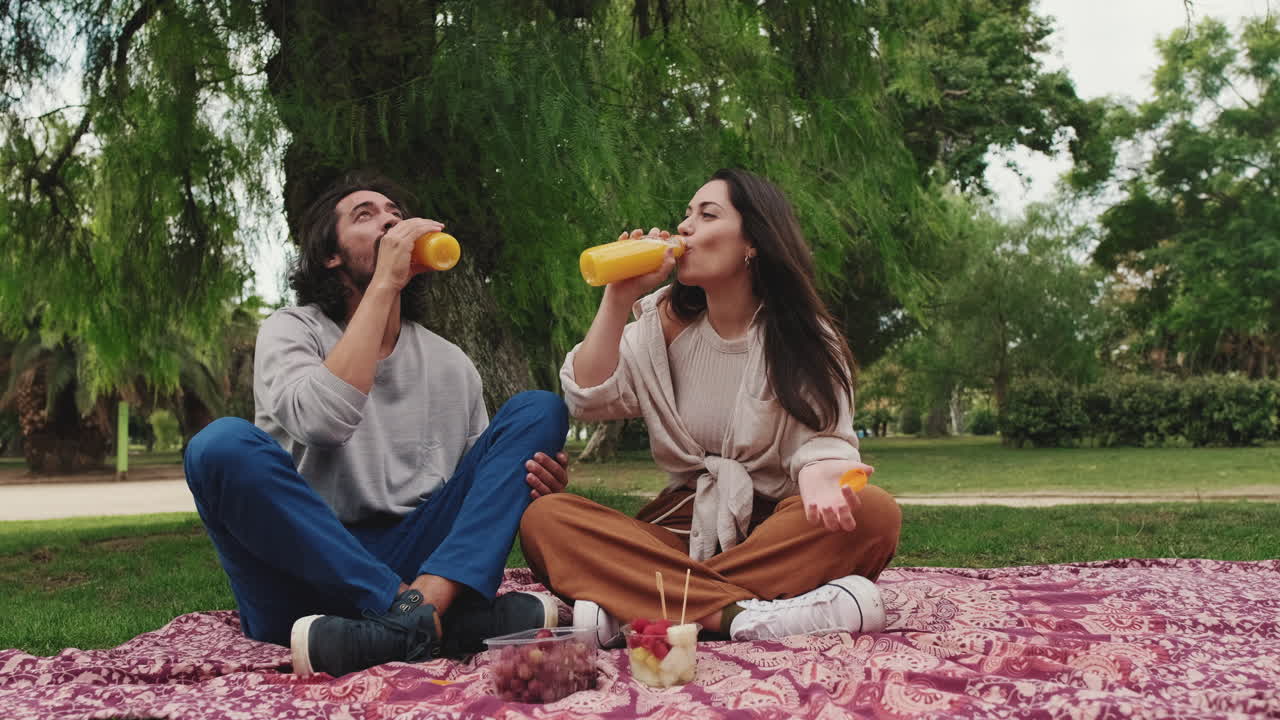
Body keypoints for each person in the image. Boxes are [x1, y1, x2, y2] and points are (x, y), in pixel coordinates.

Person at [184, 174, 571, 677]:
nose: (391, 221)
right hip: (303, 564)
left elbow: (479, 497)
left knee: (539, 410)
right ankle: (432, 620)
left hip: (414, 558)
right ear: (331, 255)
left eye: (395, 212)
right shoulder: (292, 330)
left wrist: (529, 481)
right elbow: (324, 422)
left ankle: (397, 623)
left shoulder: (450, 363)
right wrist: (385, 284)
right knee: (218, 445)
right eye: (365, 215)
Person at [520, 169, 901, 646]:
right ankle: (744, 616)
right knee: (546, 520)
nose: (684, 227)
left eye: (707, 214)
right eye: (686, 215)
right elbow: (587, 396)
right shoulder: (660, 332)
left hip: (779, 530)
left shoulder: (805, 340)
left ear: (753, 242)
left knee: (874, 512)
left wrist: (820, 471)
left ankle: (638, 602)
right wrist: (618, 298)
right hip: (683, 527)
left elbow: (824, 440)